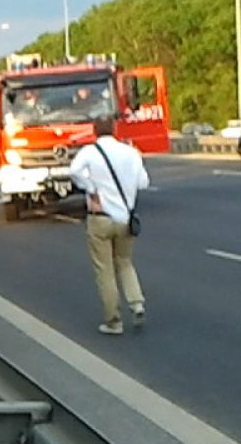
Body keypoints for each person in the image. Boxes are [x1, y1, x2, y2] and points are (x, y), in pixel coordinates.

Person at [69, 117, 149, 335]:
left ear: (94, 132)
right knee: (125, 262)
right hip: (125, 218)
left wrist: (91, 187)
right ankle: (137, 303)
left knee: (104, 270)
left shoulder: (89, 152)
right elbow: (144, 182)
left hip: (100, 217)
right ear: (115, 130)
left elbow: (74, 171)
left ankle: (114, 321)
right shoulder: (130, 152)